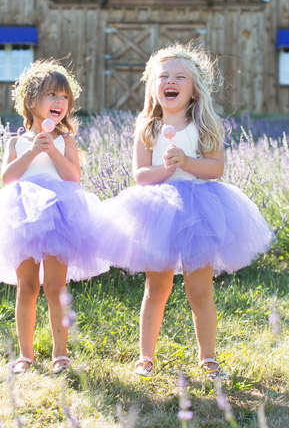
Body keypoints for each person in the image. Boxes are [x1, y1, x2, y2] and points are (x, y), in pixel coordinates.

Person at [100, 42, 274, 380]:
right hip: (157, 210)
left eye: (181, 76)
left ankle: (208, 358)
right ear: (154, 86)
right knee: (156, 288)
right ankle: (145, 357)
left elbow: (215, 168)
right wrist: (167, 169)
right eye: (164, 76)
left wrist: (187, 161)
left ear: (193, 90)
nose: (172, 81)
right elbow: (140, 176)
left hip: (200, 211)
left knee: (199, 289)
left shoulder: (204, 125)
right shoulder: (147, 127)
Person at [0, 60, 108, 374]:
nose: (59, 102)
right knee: (27, 286)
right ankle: (25, 355)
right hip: (22, 217)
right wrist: (32, 151)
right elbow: (8, 177)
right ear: (31, 102)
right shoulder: (16, 142)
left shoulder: (65, 140)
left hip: (59, 216)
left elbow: (73, 176)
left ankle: (60, 353)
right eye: (51, 96)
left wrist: (53, 151)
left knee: (55, 287)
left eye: (64, 97)